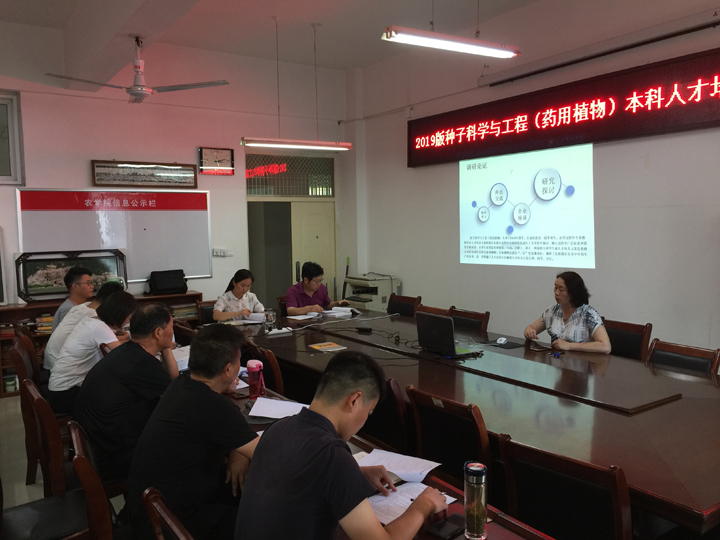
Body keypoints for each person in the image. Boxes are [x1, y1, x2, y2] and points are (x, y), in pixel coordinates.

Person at [235, 350, 447, 540]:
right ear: (354, 400)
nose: (364, 420)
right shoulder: (333, 455)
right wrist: (423, 505)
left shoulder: (278, 428)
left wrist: (355, 472)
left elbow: (301, 474)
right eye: (368, 412)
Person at [127, 324, 259, 540]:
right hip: (175, 523)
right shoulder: (212, 406)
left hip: (150, 508)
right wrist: (241, 450)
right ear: (228, 369)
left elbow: (234, 435)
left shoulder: (182, 383)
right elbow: (267, 454)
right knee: (267, 517)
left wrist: (238, 450)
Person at [73, 303, 179, 482]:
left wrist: (166, 348)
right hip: (114, 456)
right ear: (158, 332)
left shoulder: (127, 352)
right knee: (189, 440)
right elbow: (177, 395)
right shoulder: (143, 365)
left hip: (98, 443)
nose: (173, 331)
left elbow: (171, 384)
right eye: (171, 327)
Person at [47, 291, 137, 414]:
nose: (128, 321)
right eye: (128, 317)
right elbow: (124, 356)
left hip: (59, 389)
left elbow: (118, 347)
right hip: (66, 394)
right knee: (126, 398)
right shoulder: (99, 328)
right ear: (119, 314)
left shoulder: (91, 321)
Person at [44, 281, 124, 371]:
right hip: (60, 363)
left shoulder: (82, 307)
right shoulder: (93, 315)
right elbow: (106, 343)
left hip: (54, 359)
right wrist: (126, 336)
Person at [523, 271, 611, 353]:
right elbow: (532, 328)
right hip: (557, 360)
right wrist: (529, 331)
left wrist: (570, 346)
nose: (556, 293)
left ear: (573, 292)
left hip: (581, 362)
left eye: (561, 290)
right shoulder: (552, 311)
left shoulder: (588, 314)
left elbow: (605, 347)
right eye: (555, 288)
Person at [51, 266, 95, 331]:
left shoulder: (81, 306)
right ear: (75, 286)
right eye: (88, 283)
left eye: (91, 283)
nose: (92, 286)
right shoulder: (68, 308)